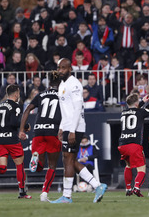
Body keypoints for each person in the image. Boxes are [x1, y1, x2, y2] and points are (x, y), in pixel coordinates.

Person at [51, 58, 107, 203]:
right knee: (70, 159)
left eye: (63, 68)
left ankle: (67, 196)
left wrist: (72, 131)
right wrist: (62, 127)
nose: (60, 71)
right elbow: (65, 110)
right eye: (59, 68)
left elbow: (77, 109)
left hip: (75, 127)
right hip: (68, 126)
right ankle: (98, 186)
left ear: (70, 68)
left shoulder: (75, 84)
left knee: (68, 160)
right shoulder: (63, 84)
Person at [19, 72, 61, 202]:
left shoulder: (41, 94)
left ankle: (36, 156)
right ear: (61, 82)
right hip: (53, 131)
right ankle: (44, 193)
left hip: (38, 130)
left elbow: (26, 110)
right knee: (52, 166)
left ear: (48, 82)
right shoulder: (63, 95)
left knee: (39, 168)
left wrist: (21, 130)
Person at [0, 84, 31, 199]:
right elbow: (14, 122)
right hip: (12, 140)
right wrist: (25, 126)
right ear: (16, 94)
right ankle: (22, 193)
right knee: (19, 166)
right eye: (19, 93)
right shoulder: (16, 106)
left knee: (2, 168)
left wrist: (2, 127)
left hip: (0, 140)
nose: (19, 95)